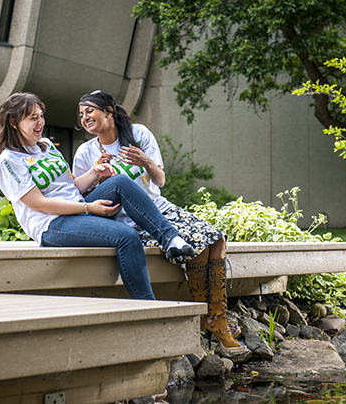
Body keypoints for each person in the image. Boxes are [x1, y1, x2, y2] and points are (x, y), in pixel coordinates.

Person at [72, 90, 248, 357]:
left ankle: (216, 316)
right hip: (131, 220)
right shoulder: (86, 152)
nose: (85, 118)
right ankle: (210, 319)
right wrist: (96, 175)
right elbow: (83, 199)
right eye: (81, 114)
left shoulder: (139, 134)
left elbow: (160, 180)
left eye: (90, 111)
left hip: (161, 209)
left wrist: (145, 160)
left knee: (216, 239)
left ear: (108, 111)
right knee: (198, 246)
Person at [0, 92, 197, 301]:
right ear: (14, 123)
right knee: (127, 236)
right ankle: (147, 307)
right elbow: (40, 204)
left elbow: (70, 187)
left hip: (77, 209)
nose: (40, 122)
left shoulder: (45, 145)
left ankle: (171, 239)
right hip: (52, 224)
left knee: (120, 182)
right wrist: (89, 209)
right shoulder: (10, 160)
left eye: (41, 115)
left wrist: (95, 172)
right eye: (32, 118)